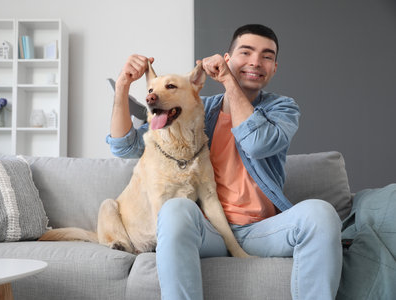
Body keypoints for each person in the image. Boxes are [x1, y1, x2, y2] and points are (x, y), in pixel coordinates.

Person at [106, 24, 342, 300]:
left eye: (267, 56)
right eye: (246, 52)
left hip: (262, 230)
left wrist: (229, 82)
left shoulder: (283, 109)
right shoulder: (197, 108)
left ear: (274, 68)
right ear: (227, 59)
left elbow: (257, 143)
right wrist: (123, 86)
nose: (255, 61)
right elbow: (127, 147)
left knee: (321, 214)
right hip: (207, 230)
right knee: (174, 211)